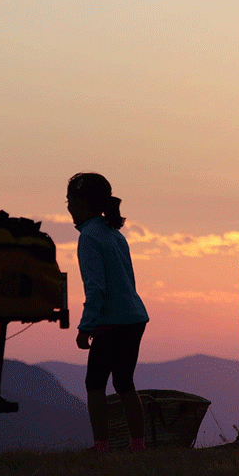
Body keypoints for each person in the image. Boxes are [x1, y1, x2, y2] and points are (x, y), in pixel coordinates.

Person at [67, 172, 149, 452]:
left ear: (80, 202)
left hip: (112, 320)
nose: (67, 207)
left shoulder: (89, 237)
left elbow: (96, 288)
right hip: (134, 317)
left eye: (69, 200)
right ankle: (137, 444)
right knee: (125, 382)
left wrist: (86, 327)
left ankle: (100, 446)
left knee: (95, 384)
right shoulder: (114, 234)